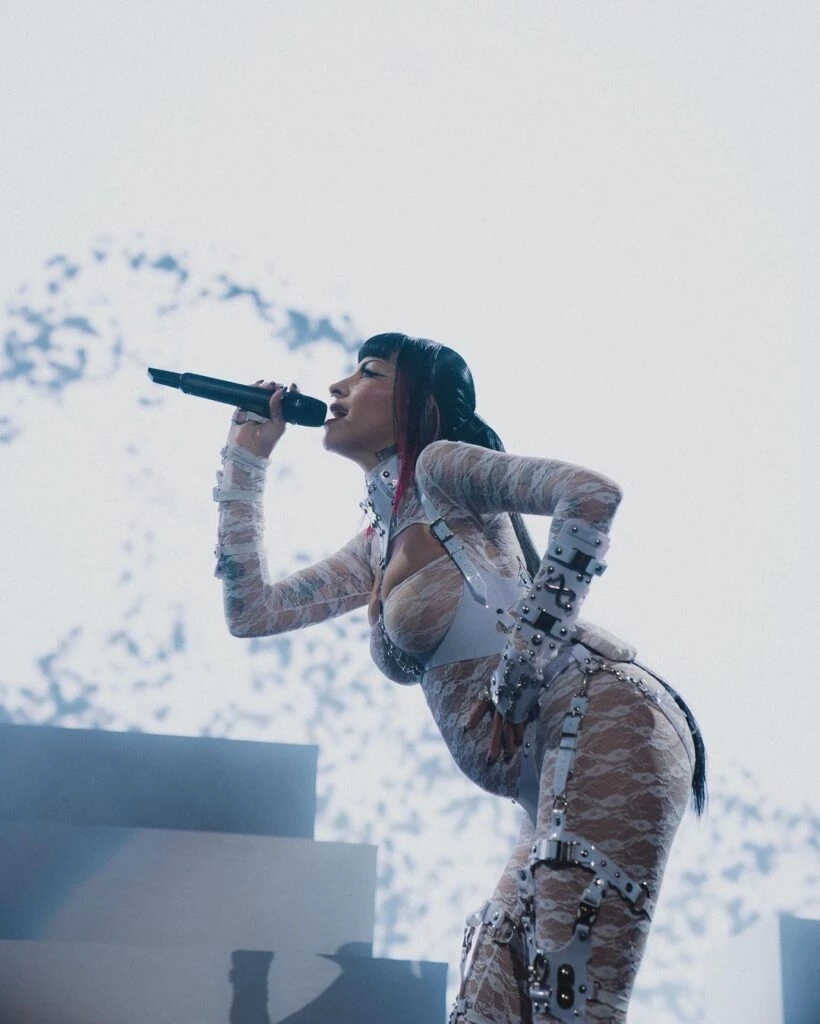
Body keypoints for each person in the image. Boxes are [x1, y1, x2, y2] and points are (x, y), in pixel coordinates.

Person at [212, 333, 706, 1024]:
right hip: (538, 780)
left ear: (421, 403)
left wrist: (516, 678)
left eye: (367, 372)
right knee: (488, 999)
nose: (337, 387)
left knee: (571, 1001)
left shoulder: (444, 471)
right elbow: (252, 612)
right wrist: (246, 458)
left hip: (600, 717)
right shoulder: (377, 546)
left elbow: (592, 495)